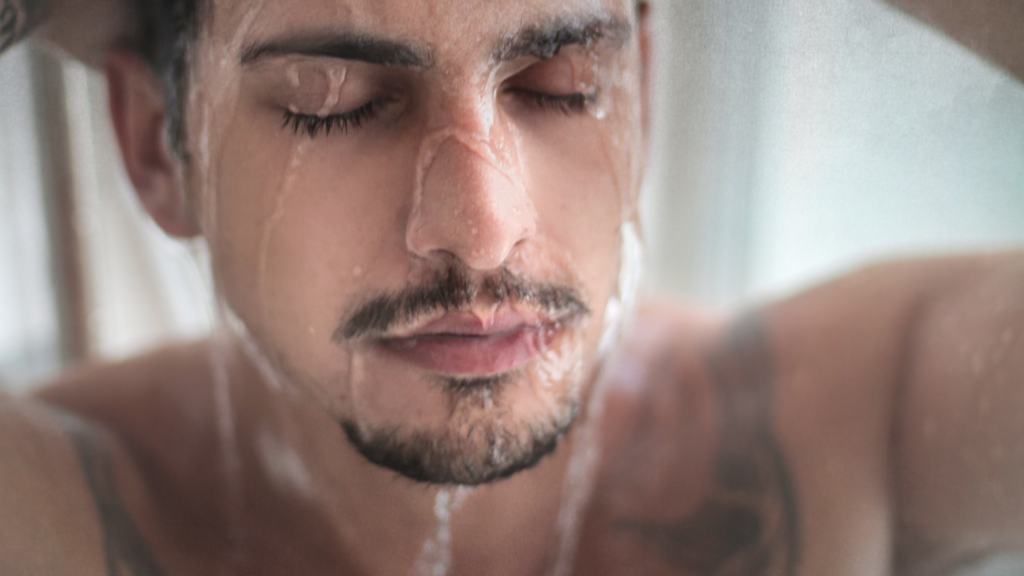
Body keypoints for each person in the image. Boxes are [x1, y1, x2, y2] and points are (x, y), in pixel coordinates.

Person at [1, 0, 1022, 574]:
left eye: (562, 85)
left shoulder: (857, 418)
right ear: (156, 147)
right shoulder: (57, 519)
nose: (483, 226)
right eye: (335, 101)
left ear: (641, 94)